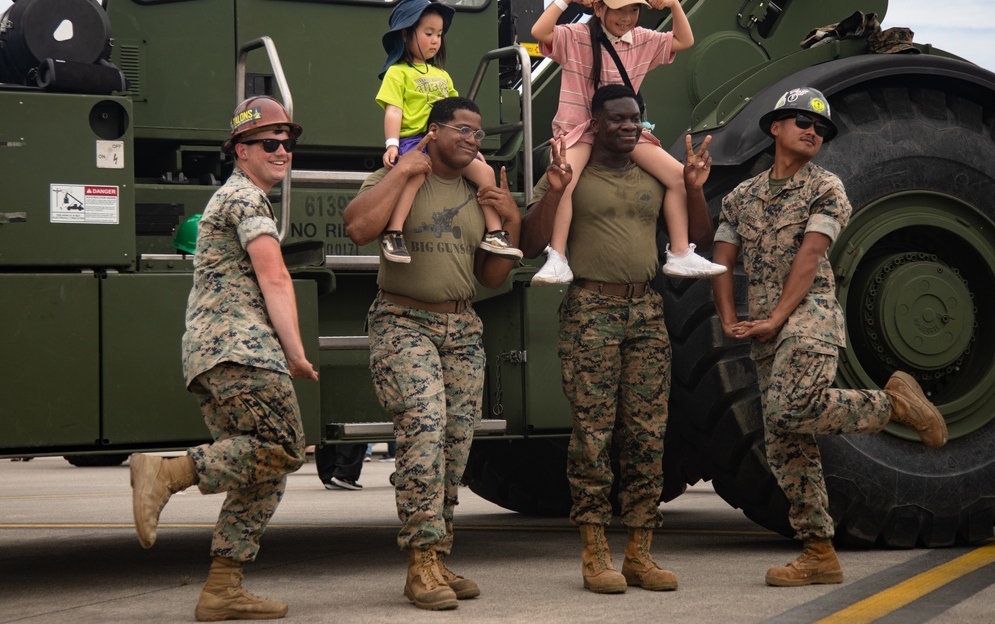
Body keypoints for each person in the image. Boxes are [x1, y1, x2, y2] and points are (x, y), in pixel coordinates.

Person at [711, 87, 948, 586]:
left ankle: (895, 406)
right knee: (784, 444)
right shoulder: (741, 197)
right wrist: (730, 317)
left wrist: (776, 317)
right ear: (774, 127)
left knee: (791, 409)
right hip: (764, 327)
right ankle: (818, 551)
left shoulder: (827, 188)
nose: (813, 130)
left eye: (820, 127)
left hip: (808, 316)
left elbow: (812, 255)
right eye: (801, 120)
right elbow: (722, 262)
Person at [129, 95, 319, 621]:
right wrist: (297, 354)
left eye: (288, 142)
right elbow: (274, 276)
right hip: (241, 347)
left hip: (214, 352)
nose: (282, 151)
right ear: (241, 150)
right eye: (269, 143)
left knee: (261, 467)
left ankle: (222, 588)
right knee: (282, 447)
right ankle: (168, 473)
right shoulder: (245, 200)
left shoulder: (234, 196)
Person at [521, 85, 715, 594]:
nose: (628, 126)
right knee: (593, 434)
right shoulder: (574, 171)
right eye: (617, 119)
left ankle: (640, 552)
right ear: (596, 122)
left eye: (635, 118)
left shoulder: (654, 172)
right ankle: (594, 551)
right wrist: (556, 189)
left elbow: (700, 233)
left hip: (646, 309)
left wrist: (694, 187)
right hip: (590, 308)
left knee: (648, 435)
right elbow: (531, 239)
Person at [343, 96, 521, 610]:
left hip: (462, 326)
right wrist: (402, 174)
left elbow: (489, 276)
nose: (472, 140)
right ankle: (419, 562)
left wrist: (506, 226)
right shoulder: (400, 174)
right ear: (435, 131)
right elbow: (358, 228)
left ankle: (439, 553)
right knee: (423, 426)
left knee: (456, 443)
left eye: (478, 133)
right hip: (403, 320)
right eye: (462, 130)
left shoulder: (477, 186)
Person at [529, 0, 724, 284]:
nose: (627, 17)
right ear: (599, 8)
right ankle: (558, 257)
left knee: (677, 177)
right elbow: (540, 30)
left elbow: (684, 40)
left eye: (633, 9)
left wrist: (675, 5)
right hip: (580, 129)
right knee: (564, 179)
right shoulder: (576, 36)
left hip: (624, 132)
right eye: (619, 9)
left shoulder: (643, 40)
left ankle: (679, 253)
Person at [377, 0, 521, 264]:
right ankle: (394, 233)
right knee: (416, 175)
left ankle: (494, 233)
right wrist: (392, 144)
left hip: (445, 142)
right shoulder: (397, 73)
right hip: (416, 142)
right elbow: (394, 110)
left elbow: (458, 114)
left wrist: (469, 145)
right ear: (406, 34)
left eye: (439, 34)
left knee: (485, 171)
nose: (435, 40)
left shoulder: (442, 76)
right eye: (428, 33)